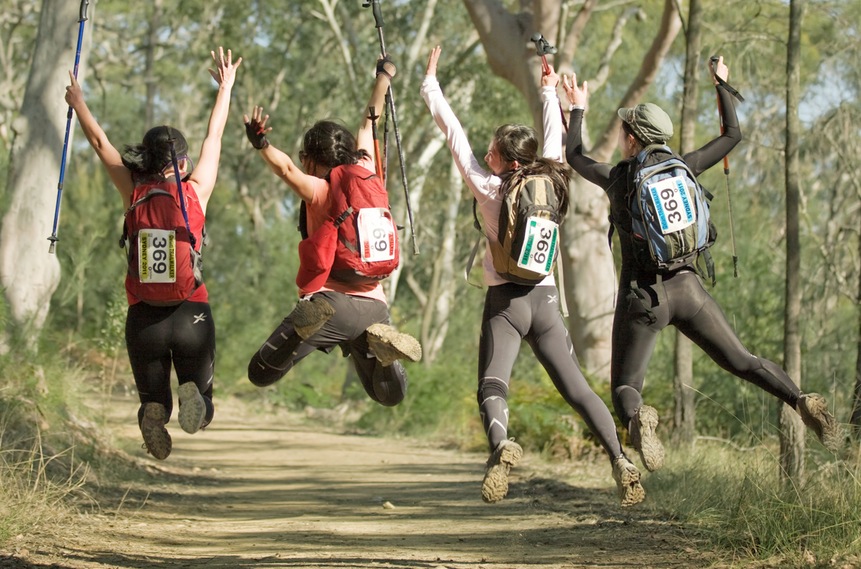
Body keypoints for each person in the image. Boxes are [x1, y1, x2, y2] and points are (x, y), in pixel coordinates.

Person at [562, 56, 842, 472]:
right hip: (690, 291)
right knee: (744, 361)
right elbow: (732, 134)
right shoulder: (685, 167)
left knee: (625, 386)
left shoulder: (619, 177)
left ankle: (642, 420)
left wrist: (575, 109)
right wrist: (721, 83)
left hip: (644, 298)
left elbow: (575, 157)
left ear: (633, 138)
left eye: (625, 130)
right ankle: (800, 399)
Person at [421, 46, 644, 507]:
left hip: (504, 302)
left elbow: (454, 136)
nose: (486, 154)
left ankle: (501, 446)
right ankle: (620, 460)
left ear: (504, 160)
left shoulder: (486, 188)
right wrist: (548, 90)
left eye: (493, 151)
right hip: (545, 301)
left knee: (492, 385)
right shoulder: (555, 176)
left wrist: (431, 85)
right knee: (578, 389)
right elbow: (553, 136)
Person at [64, 47, 242, 459]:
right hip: (191, 314)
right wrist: (225, 88)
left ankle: (154, 411)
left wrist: (79, 102)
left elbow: (98, 140)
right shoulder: (196, 191)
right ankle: (197, 400)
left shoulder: (133, 190)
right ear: (182, 161)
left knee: (151, 398)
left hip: (143, 315)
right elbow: (214, 135)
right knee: (202, 391)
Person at [243, 55, 421, 409]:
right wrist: (384, 77)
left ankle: (311, 321)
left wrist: (260, 142)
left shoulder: (319, 189)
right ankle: (382, 344)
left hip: (331, 301)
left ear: (312, 158)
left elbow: (285, 169)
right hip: (375, 306)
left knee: (261, 371)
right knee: (388, 395)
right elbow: (370, 123)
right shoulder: (366, 170)